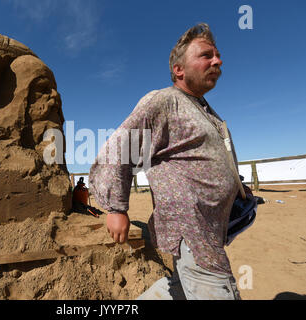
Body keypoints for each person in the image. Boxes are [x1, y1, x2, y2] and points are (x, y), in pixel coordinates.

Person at [89, 23, 249, 300]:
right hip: (193, 230)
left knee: (179, 289)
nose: (218, 60)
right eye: (206, 55)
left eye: (218, 55)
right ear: (179, 69)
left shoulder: (204, 110)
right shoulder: (164, 102)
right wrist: (117, 208)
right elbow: (120, 147)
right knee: (217, 287)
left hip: (210, 228)